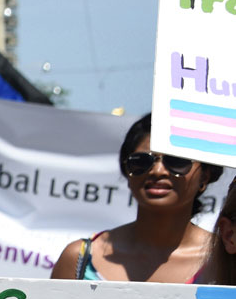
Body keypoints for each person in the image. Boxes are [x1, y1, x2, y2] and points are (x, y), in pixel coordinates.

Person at [52, 113, 223, 283]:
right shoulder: (79, 261)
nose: (157, 171)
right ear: (127, 171)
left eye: (177, 162)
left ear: (205, 177)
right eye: (141, 161)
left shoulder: (225, 260)